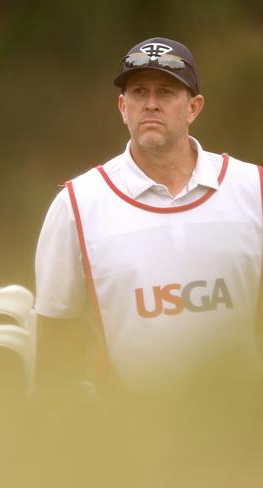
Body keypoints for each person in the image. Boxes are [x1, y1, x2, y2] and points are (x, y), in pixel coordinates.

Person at [34, 37, 263, 394]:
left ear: (194, 107)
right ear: (123, 107)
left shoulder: (253, 188)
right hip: (130, 435)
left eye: (167, 92)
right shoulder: (76, 204)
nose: (151, 104)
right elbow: (55, 343)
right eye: (139, 92)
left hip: (243, 428)